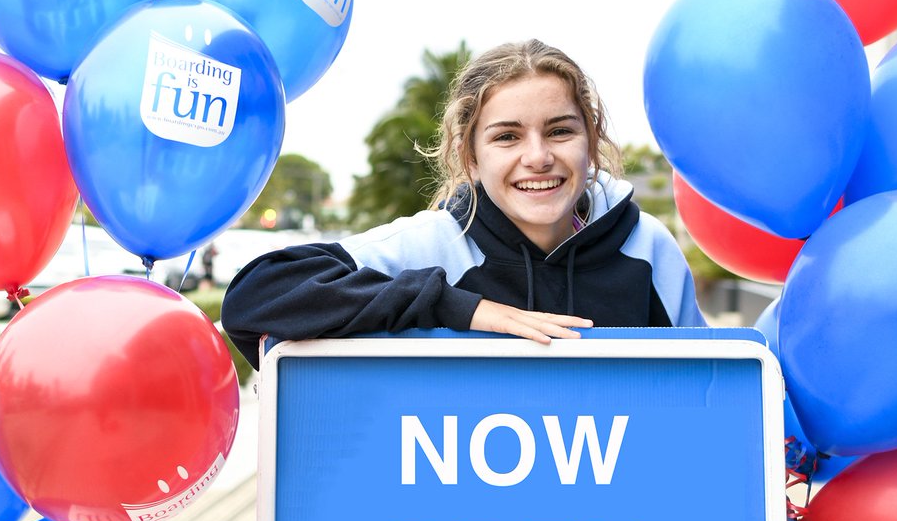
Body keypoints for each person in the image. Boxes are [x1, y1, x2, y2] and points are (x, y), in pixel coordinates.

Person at [222, 39, 705, 369]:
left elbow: (712, 399)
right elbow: (255, 297)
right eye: (507, 137)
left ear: (590, 138)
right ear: (470, 158)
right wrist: (458, 308)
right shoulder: (430, 245)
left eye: (560, 130)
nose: (538, 157)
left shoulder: (648, 250)